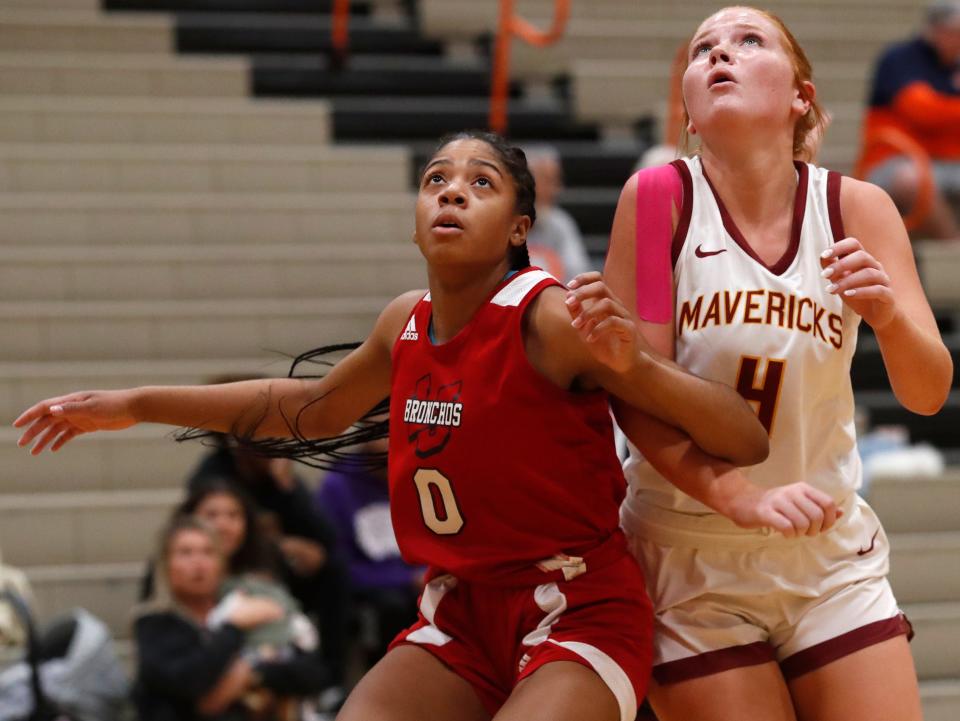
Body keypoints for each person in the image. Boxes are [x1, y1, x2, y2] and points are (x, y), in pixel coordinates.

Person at [15, 129, 769, 721]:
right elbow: (303, 409)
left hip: (576, 610)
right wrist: (137, 403)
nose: (451, 192)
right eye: (435, 179)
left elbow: (746, 439)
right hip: (461, 613)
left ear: (519, 228)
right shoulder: (402, 324)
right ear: (414, 221)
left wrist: (633, 362)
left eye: (481, 183)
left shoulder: (550, 318)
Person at [604, 7, 953, 721]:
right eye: (704, 50)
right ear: (691, 115)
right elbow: (633, 389)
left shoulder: (859, 208)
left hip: (826, 552)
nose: (720, 55)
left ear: (800, 95)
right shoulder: (658, 200)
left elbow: (928, 392)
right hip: (690, 551)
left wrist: (887, 317)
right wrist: (738, 496)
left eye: (747, 41)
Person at [133, 514, 298, 721]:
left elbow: (310, 672)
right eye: (186, 553)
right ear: (165, 564)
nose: (199, 563)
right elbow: (189, 682)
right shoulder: (153, 623)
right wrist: (233, 628)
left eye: (208, 552)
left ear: (222, 564)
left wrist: (250, 671)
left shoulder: (241, 604)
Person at [314, 437, 425, 667]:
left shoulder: (423, 475)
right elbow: (338, 564)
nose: (389, 433)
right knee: (392, 608)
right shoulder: (338, 485)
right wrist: (405, 579)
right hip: (373, 594)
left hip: (422, 583)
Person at [858, 0, 960, 239]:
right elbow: (922, 112)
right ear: (935, 30)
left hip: (949, 161)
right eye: (954, 33)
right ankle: (950, 251)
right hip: (894, 160)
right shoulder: (902, 59)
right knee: (911, 178)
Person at [524, 146, 593, 281]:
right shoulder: (499, 222)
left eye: (556, 180)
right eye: (549, 181)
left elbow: (578, 277)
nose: (557, 190)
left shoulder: (561, 223)